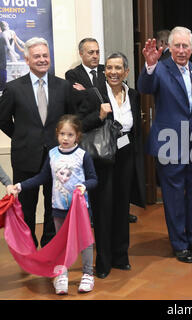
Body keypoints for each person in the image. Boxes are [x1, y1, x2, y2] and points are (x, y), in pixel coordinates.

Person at [138, 26, 192, 264]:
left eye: (186, 46)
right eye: (177, 46)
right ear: (170, 47)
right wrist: (149, 65)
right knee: (173, 196)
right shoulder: (160, 69)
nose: (181, 50)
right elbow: (145, 88)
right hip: (169, 144)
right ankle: (180, 244)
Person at [0, 37, 77, 248]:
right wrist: (20, 136)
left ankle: (50, 247)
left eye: (45, 55)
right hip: (25, 157)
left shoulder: (63, 86)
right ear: (26, 60)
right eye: (37, 56)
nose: (42, 60)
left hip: (57, 157)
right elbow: (2, 119)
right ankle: (29, 248)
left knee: (55, 206)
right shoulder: (14, 88)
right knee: (27, 207)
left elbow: (71, 118)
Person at [77, 52, 146, 279]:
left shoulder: (133, 94)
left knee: (121, 207)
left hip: (125, 153)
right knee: (103, 208)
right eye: (109, 68)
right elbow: (80, 125)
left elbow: (135, 127)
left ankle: (120, 256)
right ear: (104, 72)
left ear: (126, 72)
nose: (113, 72)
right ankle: (103, 261)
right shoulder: (94, 95)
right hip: (103, 155)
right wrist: (98, 115)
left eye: (118, 68)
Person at [12, 114, 98, 295]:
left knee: (85, 241)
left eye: (70, 135)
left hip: (80, 210)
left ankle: (88, 274)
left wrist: (84, 186)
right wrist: (20, 186)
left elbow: (93, 179)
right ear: (57, 134)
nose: (66, 139)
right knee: (60, 242)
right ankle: (61, 273)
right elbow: (42, 177)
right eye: (62, 134)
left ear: (78, 136)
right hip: (58, 208)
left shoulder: (83, 155)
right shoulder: (52, 154)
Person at [65, 38, 138, 223]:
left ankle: (120, 243)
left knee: (122, 198)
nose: (96, 56)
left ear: (125, 71)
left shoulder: (130, 92)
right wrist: (92, 96)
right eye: (91, 52)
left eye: (97, 52)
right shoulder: (73, 74)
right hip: (101, 146)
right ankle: (103, 245)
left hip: (125, 148)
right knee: (103, 200)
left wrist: (87, 90)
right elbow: (80, 104)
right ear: (81, 53)